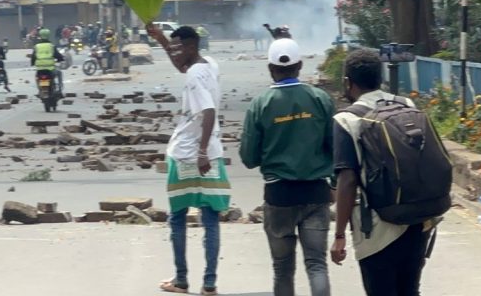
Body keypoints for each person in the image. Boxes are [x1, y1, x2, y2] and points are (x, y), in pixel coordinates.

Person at [331, 49, 437, 296]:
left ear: (348, 82)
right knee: (409, 290)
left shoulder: (346, 120)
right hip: (417, 220)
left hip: (377, 228)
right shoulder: (406, 105)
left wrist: (339, 235)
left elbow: (347, 181)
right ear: (380, 78)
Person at [240, 38, 335, 296]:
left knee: (282, 269)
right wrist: (334, 185)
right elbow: (336, 149)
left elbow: (248, 157)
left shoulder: (260, 104)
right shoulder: (320, 99)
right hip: (316, 193)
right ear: (300, 66)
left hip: (279, 196)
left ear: (271, 68)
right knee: (317, 265)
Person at [146, 24, 228, 296]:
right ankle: (210, 284)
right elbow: (181, 65)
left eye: (178, 47)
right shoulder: (209, 65)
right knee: (211, 219)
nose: (174, 52)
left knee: (178, 218)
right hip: (212, 153)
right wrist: (161, 40)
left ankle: (181, 279)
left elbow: (208, 111)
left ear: (191, 47)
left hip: (187, 154)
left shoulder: (193, 76)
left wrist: (200, 151)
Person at [29, 28, 64, 94]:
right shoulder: (51, 46)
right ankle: (59, 89)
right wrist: (61, 59)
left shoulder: (37, 46)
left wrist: (32, 63)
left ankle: (39, 90)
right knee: (59, 73)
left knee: (37, 77)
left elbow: (33, 57)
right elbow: (58, 55)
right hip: (50, 69)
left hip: (40, 69)